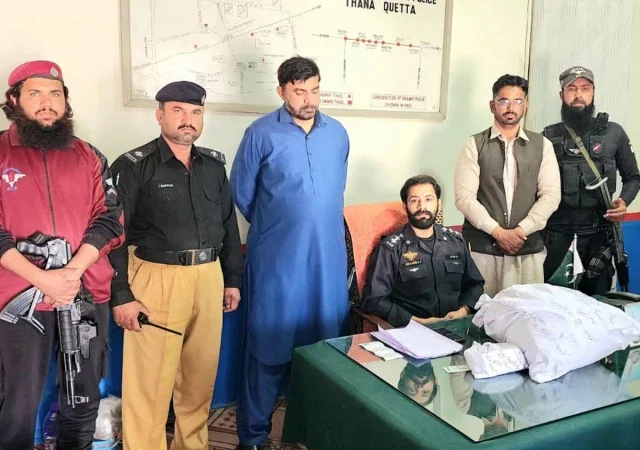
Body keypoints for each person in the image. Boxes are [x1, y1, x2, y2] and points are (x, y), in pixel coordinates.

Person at [109, 81, 243, 450]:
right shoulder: (133, 166)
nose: (188, 119)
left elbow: (228, 224)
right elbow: (113, 235)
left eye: (196, 112)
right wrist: (121, 295)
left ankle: (192, 445)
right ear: (160, 116)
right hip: (156, 278)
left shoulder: (213, 166)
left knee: (199, 377)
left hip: (208, 277)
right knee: (149, 383)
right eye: (178, 111)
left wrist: (232, 278)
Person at [0, 60, 124, 450]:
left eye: (56, 94)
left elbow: (110, 219)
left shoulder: (89, 155)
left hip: (85, 296)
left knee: (82, 400)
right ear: (14, 100)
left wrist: (70, 274)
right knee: (15, 406)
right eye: (35, 93)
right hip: (17, 302)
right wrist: (43, 280)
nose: (47, 103)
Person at [230, 56, 350, 450]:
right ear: (282, 91)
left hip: (327, 263)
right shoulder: (260, 133)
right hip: (277, 262)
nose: (309, 99)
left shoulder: (337, 134)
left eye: (315, 90)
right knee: (267, 348)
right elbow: (242, 194)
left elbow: (334, 191)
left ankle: (310, 434)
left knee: (324, 351)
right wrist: (281, 225)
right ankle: (253, 438)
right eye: (299, 92)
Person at [454, 74, 561, 296]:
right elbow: (464, 198)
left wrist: (521, 231)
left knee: (528, 311)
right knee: (482, 311)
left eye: (518, 101)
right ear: (492, 105)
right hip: (483, 251)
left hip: (528, 250)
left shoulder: (542, 145)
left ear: (526, 105)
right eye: (503, 100)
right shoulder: (474, 144)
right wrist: (498, 233)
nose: (511, 107)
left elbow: (551, 195)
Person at [542, 66, 640, 295]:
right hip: (557, 237)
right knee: (553, 303)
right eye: (572, 89)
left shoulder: (614, 133)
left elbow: (633, 178)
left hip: (599, 237)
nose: (578, 95)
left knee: (598, 304)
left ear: (593, 92)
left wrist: (623, 202)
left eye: (585, 88)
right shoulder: (547, 136)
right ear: (562, 95)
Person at [361, 175, 484, 326]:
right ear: (405, 206)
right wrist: (414, 321)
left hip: (458, 325)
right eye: (414, 201)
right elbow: (374, 300)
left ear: (438, 203)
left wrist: (464, 310)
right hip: (411, 331)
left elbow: (475, 284)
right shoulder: (390, 249)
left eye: (428, 199)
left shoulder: (456, 241)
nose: (422, 207)